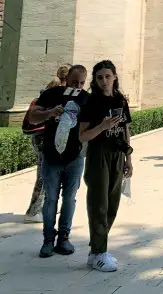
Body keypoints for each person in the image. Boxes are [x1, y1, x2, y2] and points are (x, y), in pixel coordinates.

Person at [28, 65, 88, 258]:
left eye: (81, 83)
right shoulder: (51, 94)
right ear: (66, 79)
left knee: (70, 199)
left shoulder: (85, 98)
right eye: (74, 82)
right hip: (52, 156)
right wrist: (50, 112)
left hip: (74, 157)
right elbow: (32, 116)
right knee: (51, 199)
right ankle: (47, 240)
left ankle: (64, 238)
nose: (77, 86)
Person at [80, 60, 133, 273]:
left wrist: (129, 157)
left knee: (113, 203)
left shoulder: (120, 99)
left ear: (114, 77)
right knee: (98, 204)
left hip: (117, 154)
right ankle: (100, 252)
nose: (104, 81)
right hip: (98, 155)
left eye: (107, 77)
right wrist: (102, 126)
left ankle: (96, 251)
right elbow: (83, 135)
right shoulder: (92, 102)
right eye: (100, 77)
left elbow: (125, 128)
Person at [23, 64, 72, 224]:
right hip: (44, 137)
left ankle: (45, 205)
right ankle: (33, 211)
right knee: (45, 174)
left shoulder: (49, 90)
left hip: (39, 137)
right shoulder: (57, 94)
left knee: (47, 173)